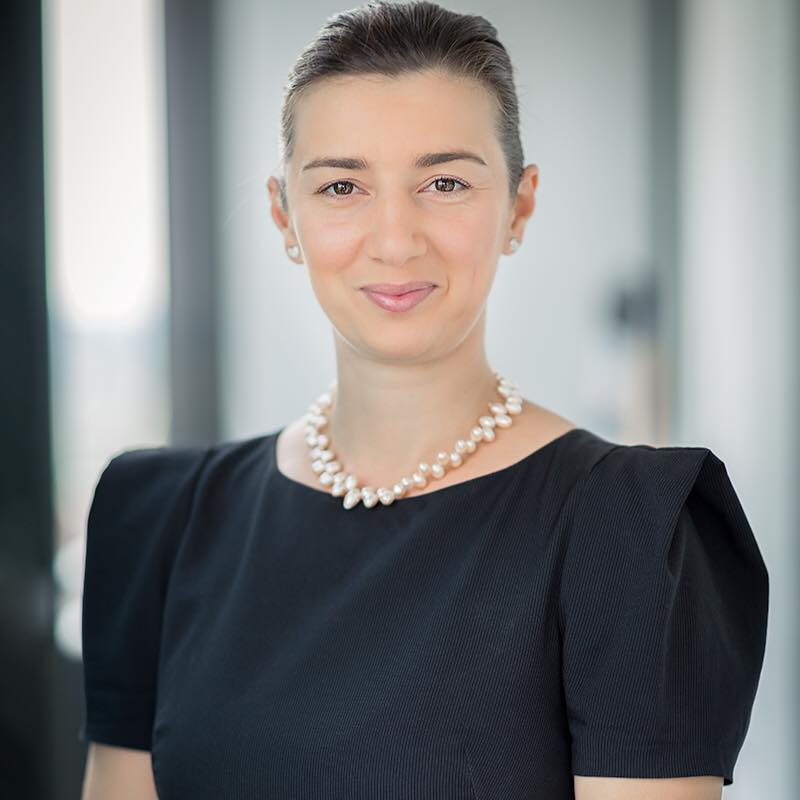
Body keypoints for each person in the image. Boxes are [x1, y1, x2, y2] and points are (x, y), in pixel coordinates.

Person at [78, 1, 769, 798]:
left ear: (519, 206)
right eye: (342, 185)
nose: (395, 238)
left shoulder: (629, 529)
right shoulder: (159, 521)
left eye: (445, 183)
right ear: (283, 214)